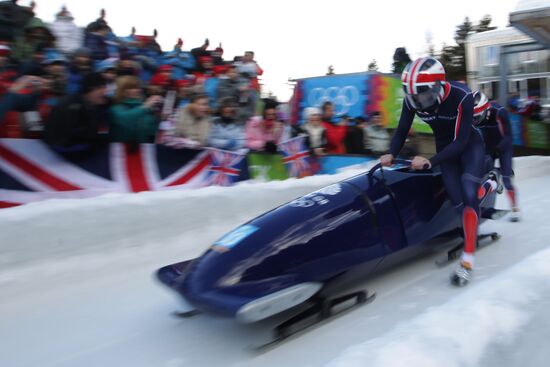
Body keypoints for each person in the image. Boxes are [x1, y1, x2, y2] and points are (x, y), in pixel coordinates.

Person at [380, 57, 486, 286]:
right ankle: (484, 193)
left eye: (424, 95)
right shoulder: (413, 99)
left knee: (468, 192)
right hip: (444, 147)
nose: (419, 101)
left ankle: (468, 261)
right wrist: (390, 152)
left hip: (467, 145)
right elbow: (401, 130)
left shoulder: (462, 95)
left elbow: (460, 142)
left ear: (439, 86)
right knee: (457, 200)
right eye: (414, 96)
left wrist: (431, 161)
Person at [473, 91, 520, 222]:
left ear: (486, 109)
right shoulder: (473, 117)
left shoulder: (500, 112)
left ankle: (515, 208)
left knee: (506, 180)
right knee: (482, 175)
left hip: (504, 146)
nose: (476, 120)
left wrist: (498, 149)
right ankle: (483, 204)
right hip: (488, 147)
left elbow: (509, 136)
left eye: (478, 116)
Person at [43, 72, 110, 150]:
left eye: (104, 87)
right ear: (88, 89)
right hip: (65, 152)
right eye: (100, 88)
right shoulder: (70, 108)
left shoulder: (94, 104)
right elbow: (62, 140)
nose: (104, 92)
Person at [110, 75, 161, 143]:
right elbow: (124, 120)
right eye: (131, 88)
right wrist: (146, 106)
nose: (137, 90)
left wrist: (159, 116)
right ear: (121, 90)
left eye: (138, 87)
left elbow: (152, 132)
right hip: (121, 150)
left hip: (145, 149)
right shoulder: (115, 108)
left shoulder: (145, 107)